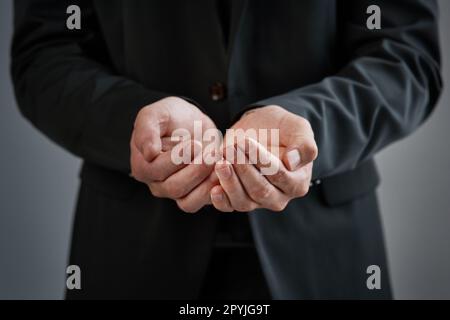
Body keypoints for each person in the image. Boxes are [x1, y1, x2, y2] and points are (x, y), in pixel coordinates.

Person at [11, 0, 442, 299]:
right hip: (132, 255)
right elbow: (47, 51)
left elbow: (406, 54)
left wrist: (310, 128)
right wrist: (131, 121)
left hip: (324, 256)